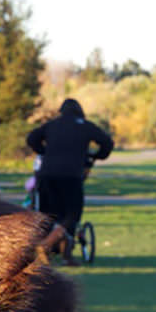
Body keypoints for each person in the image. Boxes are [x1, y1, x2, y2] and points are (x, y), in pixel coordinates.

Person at [27, 99, 114, 258]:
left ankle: (51, 245)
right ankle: (48, 245)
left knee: (48, 213)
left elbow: (31, 139)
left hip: (47, 175)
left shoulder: (52, 125)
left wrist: (44, 151)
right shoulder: (86, 126)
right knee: (72, 214)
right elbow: (107, 143)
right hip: (72, 175)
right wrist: (95, 157)